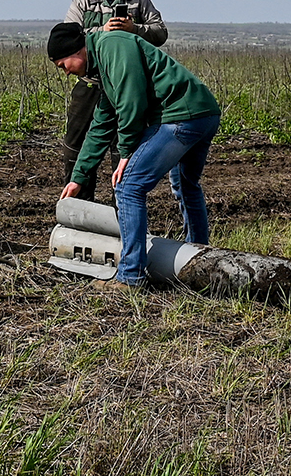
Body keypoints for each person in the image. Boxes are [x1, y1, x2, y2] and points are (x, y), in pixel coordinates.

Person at [48, 21, 221, 288]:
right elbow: (103, 121)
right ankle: (200, 258)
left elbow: (132, 100)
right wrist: (79, 177)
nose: (66, 73)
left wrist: (127, 150)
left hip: (180, 117)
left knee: (128, 186)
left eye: (63, 65)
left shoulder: (112, 45)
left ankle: (130, 276)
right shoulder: (103, 64)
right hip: (202, 113)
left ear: (76, 51)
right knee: (187, 185)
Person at [59, 0, 166, 199]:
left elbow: (161, 33)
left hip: (127, 87)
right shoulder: (82, 2)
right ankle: (79, 207)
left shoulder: (139, 1)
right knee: (76, 147)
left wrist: (135, 29)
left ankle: (124, 209)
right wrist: (102, 31)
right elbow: (69, 38)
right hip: (90, 86)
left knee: (124, 149)